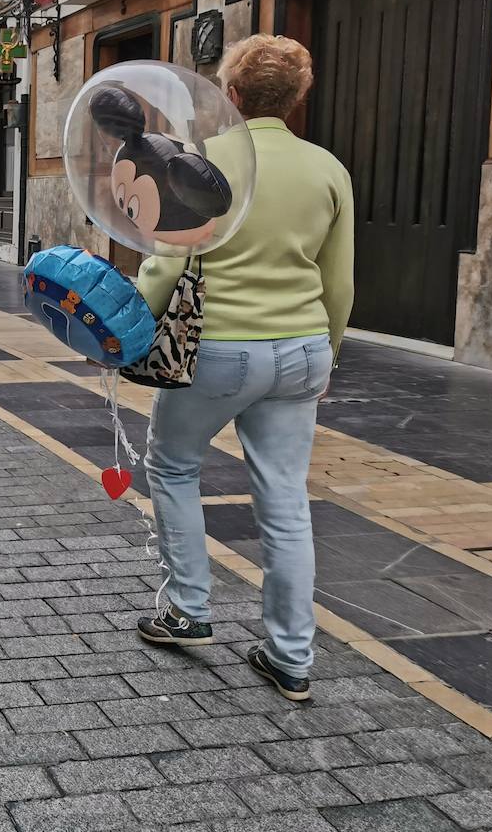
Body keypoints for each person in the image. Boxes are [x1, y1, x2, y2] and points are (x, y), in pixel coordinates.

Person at [134, 35, 354, 703]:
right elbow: (337, 282)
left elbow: (167, 263)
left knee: (173, 464)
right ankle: (291, 657)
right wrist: (329, 354)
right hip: (302, 347)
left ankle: (188, 610)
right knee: (286, 497)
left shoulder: (200, 159)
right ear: (296, 97)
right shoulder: (327, 169)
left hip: (218, 348)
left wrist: (128, 329)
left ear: (230, 94)